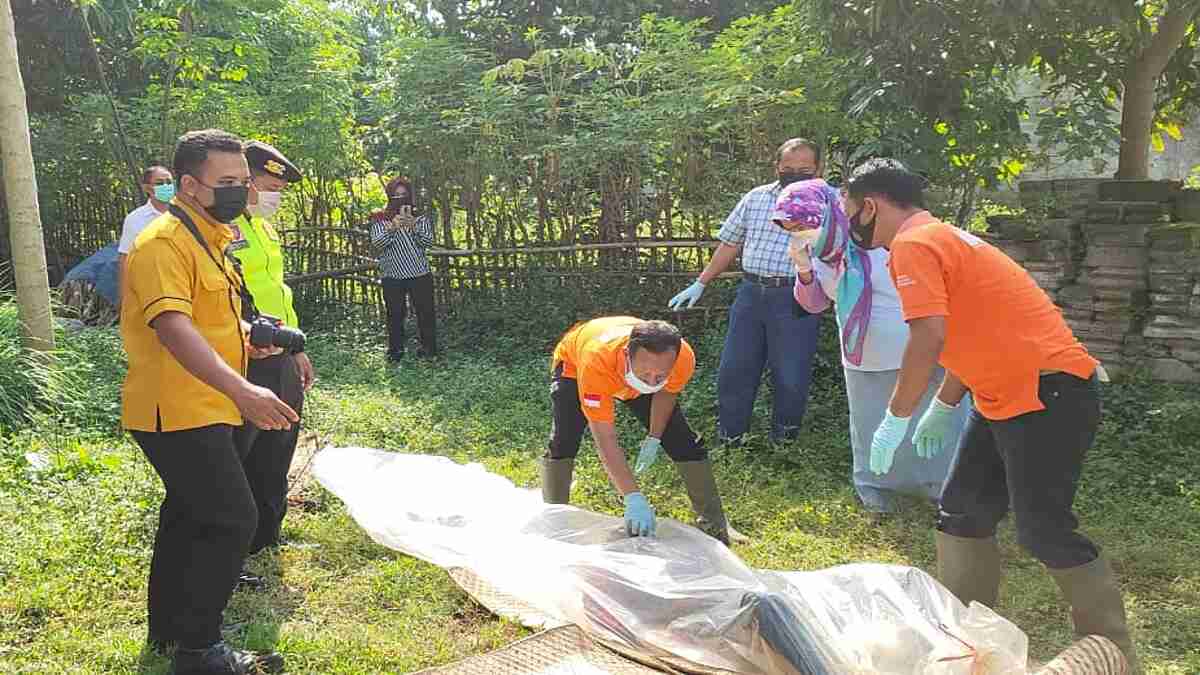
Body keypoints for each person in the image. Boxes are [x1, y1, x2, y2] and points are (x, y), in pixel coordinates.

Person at [848, 159, 1138, 670]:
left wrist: (896, 417)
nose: (850, 224)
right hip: (1004, 393)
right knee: (962, 513)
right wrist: (943, 404)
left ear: (870, 205)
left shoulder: (914, 245)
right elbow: (976, 329)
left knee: (1044, 529)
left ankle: (1114, 651)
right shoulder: (945, 237)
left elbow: (929, 336)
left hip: (1047, 394)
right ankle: (966, 644)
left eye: (851, 212)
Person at [121, 128, 295, 675]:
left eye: (243, 182)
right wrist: (242, 388)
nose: (241, 192)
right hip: (174, 407)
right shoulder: (162, 243)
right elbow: (173, 327)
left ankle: (172, 632)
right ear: (190, 186)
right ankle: (201, 650)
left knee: (189, 516)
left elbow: (209, 320)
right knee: (230, 519)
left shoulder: (212, 241)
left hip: (206, 403)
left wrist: (252, 335)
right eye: (228, 182)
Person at [773, 178, 969, 516]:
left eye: (803, 227)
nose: (800, 235)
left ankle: (945, 491)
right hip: (863, 353)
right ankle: (878, 492)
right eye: (792, 230)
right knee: (870, 426)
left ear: (827, 215)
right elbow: (815, 303)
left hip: (917, 349)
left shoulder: (878, 239)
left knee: (932, 424)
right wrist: (803, 269)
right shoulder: (823, 253)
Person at [668, 138, 821, 442]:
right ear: (777, 167)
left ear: (817, 168)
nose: (795, 174)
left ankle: (785, 441)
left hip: (797, 297)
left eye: (804, 169)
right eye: (788, 168)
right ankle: (731, 437)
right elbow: (730, 243)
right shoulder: (756, 198)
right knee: (735, 368)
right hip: (751, 293)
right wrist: (701, 281)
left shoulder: (829, 203)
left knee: (791, 372)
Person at [542, 316, 745, 544]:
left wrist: (655, 437)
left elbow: (666, 393)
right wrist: (633, 497)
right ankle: (555, 518)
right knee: (564, 439)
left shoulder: (682, 357)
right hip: (575, 367)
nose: (651, 382)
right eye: (645, 375)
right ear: (627, 354)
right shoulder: (596, 361)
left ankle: (716, 525)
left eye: (660, 376)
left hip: (620, 369)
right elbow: (605, 436)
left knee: (684, 442)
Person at [228, 141, 314, 581]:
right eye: (269, 186)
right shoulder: (222, 230)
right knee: (241, 449)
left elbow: (277, 293)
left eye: (280, 188)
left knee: (281, 441)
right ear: (246, 181)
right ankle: (234, 545)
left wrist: (296, 349)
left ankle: (267, 533)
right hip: (242, 353)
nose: (275, 195)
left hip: (281, 351)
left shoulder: (264, 229)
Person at [368, 177, 437, 363]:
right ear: (389, 196)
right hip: (392, 275)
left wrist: (413, 225)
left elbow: (428, 242)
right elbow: (378, 244)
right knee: (395, 314)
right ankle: (395, 352)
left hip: (419, 273)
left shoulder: (420, 217)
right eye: (396, 195)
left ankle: (429, 350)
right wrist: (392, 228)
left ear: (410, 195)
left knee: (426, 313)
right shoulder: (380, 218)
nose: (400, 199)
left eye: (404, 195)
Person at [117, 165, 174, 300]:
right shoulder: (135, 219)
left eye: (169, 182)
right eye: (160, 183)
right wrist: (124, 295)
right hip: (149, 287)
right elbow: (125, 257)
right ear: (147, 188)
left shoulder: (185, 213)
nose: (166, 186)